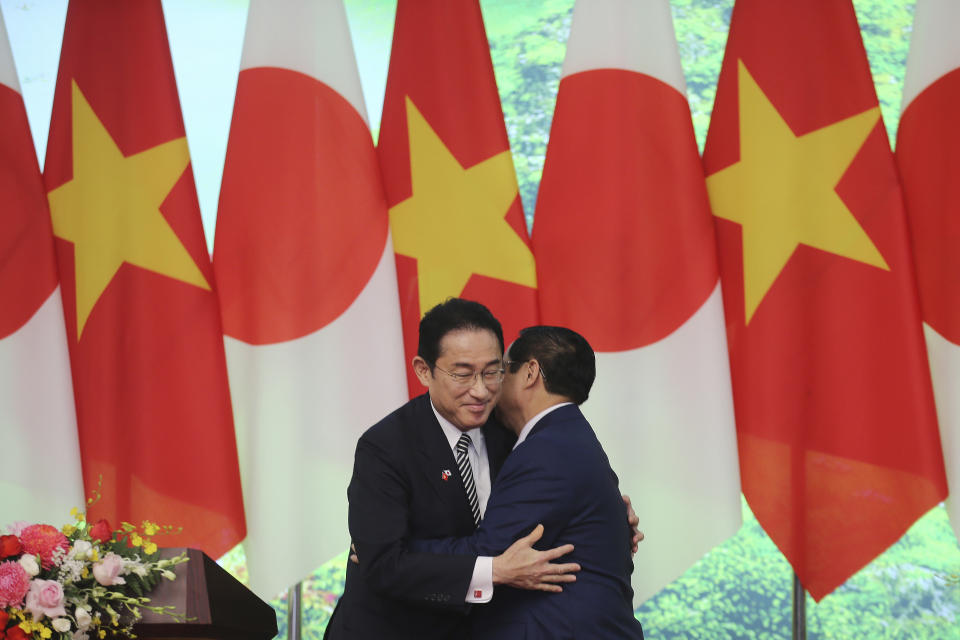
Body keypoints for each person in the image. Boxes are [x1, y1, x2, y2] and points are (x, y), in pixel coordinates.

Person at [323, 299, 581, 640]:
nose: (480, 390)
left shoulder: (510, 430)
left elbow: (568, 466)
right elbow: (383, 567)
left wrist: (611, 507)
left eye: (492, 372)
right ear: (424, 370)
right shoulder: (385, 447)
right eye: (462, 374)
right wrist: (494, 571)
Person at [412, 326, 645, 639]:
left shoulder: (549, 449)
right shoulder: (566, 439)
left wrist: (398, 551)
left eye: (500, 370)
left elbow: (488, 552)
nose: (488, 387)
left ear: (530, 372)